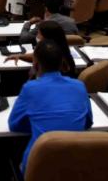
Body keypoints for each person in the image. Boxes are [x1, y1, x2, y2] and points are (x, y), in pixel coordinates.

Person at [8, 40, 92, 172]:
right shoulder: (79, 86)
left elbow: (14, 125)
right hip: (76, 166)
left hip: (39, 166)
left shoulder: (30, 88)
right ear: (61, 63)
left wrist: (40, 123)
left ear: (35, 64)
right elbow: (87, 122)